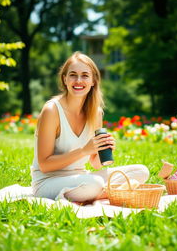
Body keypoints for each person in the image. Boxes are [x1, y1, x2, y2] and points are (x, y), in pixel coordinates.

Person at [31, 51, 150, 202]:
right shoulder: (52, 110)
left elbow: (95, 163)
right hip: (47, 182)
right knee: (95, 183)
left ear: (93, 80)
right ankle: (110, 193)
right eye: (73, 75)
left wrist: (105, 148)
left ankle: (100, 192)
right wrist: (83, 151)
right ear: (65, 79)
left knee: (141, 171)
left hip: (81, 178)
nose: (78, 80)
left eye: (85, 75)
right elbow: (45, 165)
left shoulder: (96, 113)